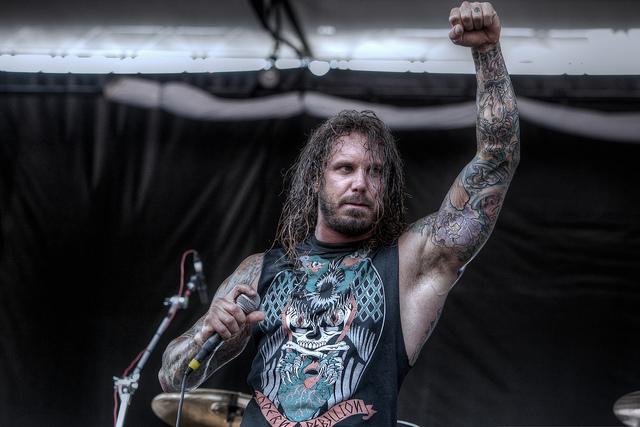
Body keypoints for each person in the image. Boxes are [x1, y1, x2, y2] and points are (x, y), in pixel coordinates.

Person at [159, 2, 520, 425]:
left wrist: (487, 52)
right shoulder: (259, 271)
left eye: (375, 172)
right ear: (316, 180)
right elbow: (172, 378)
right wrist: (212, 335)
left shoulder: (408, 264)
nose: (360, 183)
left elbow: (496, 158)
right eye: (345, 169)